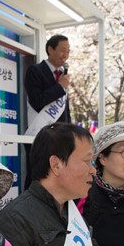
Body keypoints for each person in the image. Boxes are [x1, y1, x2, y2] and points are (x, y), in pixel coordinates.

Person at [23, 34, 72, 188]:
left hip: (60, 137)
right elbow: (37, 101)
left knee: (57, 177)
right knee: (37, 175)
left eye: (68, 51)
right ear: (50, 49)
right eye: (62, 50)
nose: (65, 55)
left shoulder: (62, 75)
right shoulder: (35, 71)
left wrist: (69, 131)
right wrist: (60, 87)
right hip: (40, 133)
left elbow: (65, 110)